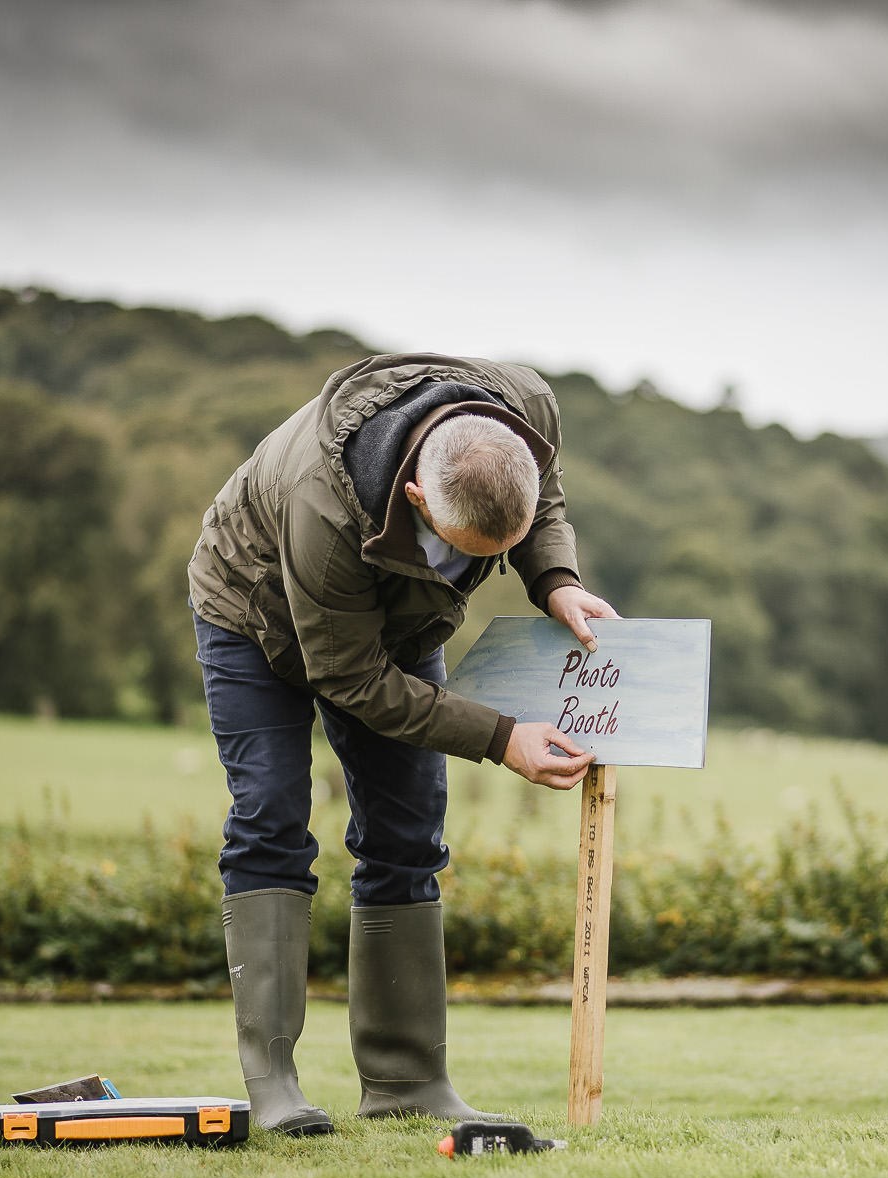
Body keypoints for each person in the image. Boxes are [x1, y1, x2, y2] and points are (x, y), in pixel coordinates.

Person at [186, 353, 618, 1134]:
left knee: (409, 830)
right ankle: (274, 1082)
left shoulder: (527, 406)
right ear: (416, 493)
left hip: (398, 618)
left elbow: (543, 499)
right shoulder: (324, 506)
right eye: (471, 548)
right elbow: (350, 680)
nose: (484, 567)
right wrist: (500, 737)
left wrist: (553, 576)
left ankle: (406, 1078)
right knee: (273, 817)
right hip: (255, 615)